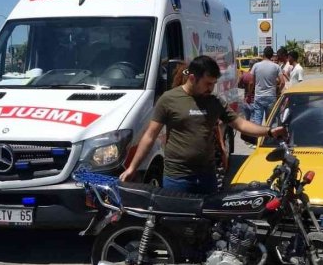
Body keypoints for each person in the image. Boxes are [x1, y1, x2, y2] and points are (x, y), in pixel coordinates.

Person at [120, 55, 286, 194]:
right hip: (177, 178)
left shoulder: (214, 101)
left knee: (208, 228)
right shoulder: (169, 99)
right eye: (208, 83)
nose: (212, 88)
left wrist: (269, 131)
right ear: (192, 78)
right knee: (177, 229)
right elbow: (150, 135)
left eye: (214, 83)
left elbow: (241, 124)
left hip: (207, 177)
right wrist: (132, 168)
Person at [248, 46, 286, 125]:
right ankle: (270, 137)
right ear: (271, 55)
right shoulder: (276, 67)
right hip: (271, 96)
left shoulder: (256, 66)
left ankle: (257, 136)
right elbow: (282, 82)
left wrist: (249, 94)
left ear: (263, 54)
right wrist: (277, 92)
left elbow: (251, 83)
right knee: (271, 121)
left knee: (257, 121)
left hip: (258, 96)